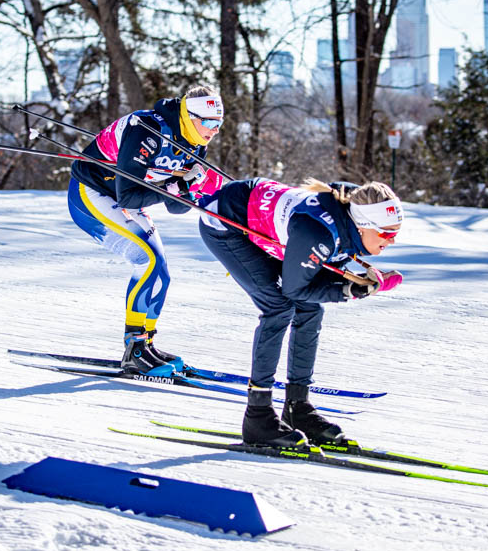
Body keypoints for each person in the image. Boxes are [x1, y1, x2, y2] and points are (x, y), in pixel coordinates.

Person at [198, 177, 404, 448]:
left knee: (310, 311)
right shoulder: (318, 233)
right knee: (278, 307)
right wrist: (348, 290)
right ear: (364, 225)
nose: (391, 242)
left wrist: (350, 284)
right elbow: (296, 289)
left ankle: (298, 407)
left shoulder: (352, 216)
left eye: (396, 234)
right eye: (387, 234)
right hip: (225, 224)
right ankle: (257, 416)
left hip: (262, 218)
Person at [68, 85, 225, 376]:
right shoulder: (148, 130)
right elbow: (128, 195)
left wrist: (192, 187)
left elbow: (176, 207)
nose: (215, 130)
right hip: (92, 193)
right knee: (147, 261)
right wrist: (175, 186)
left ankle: (146, 345)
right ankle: (134, 349)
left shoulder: (195, 144)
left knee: (161, 272)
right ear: (189, 116)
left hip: (123, 199)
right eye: (209, 122)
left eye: (219, 124)